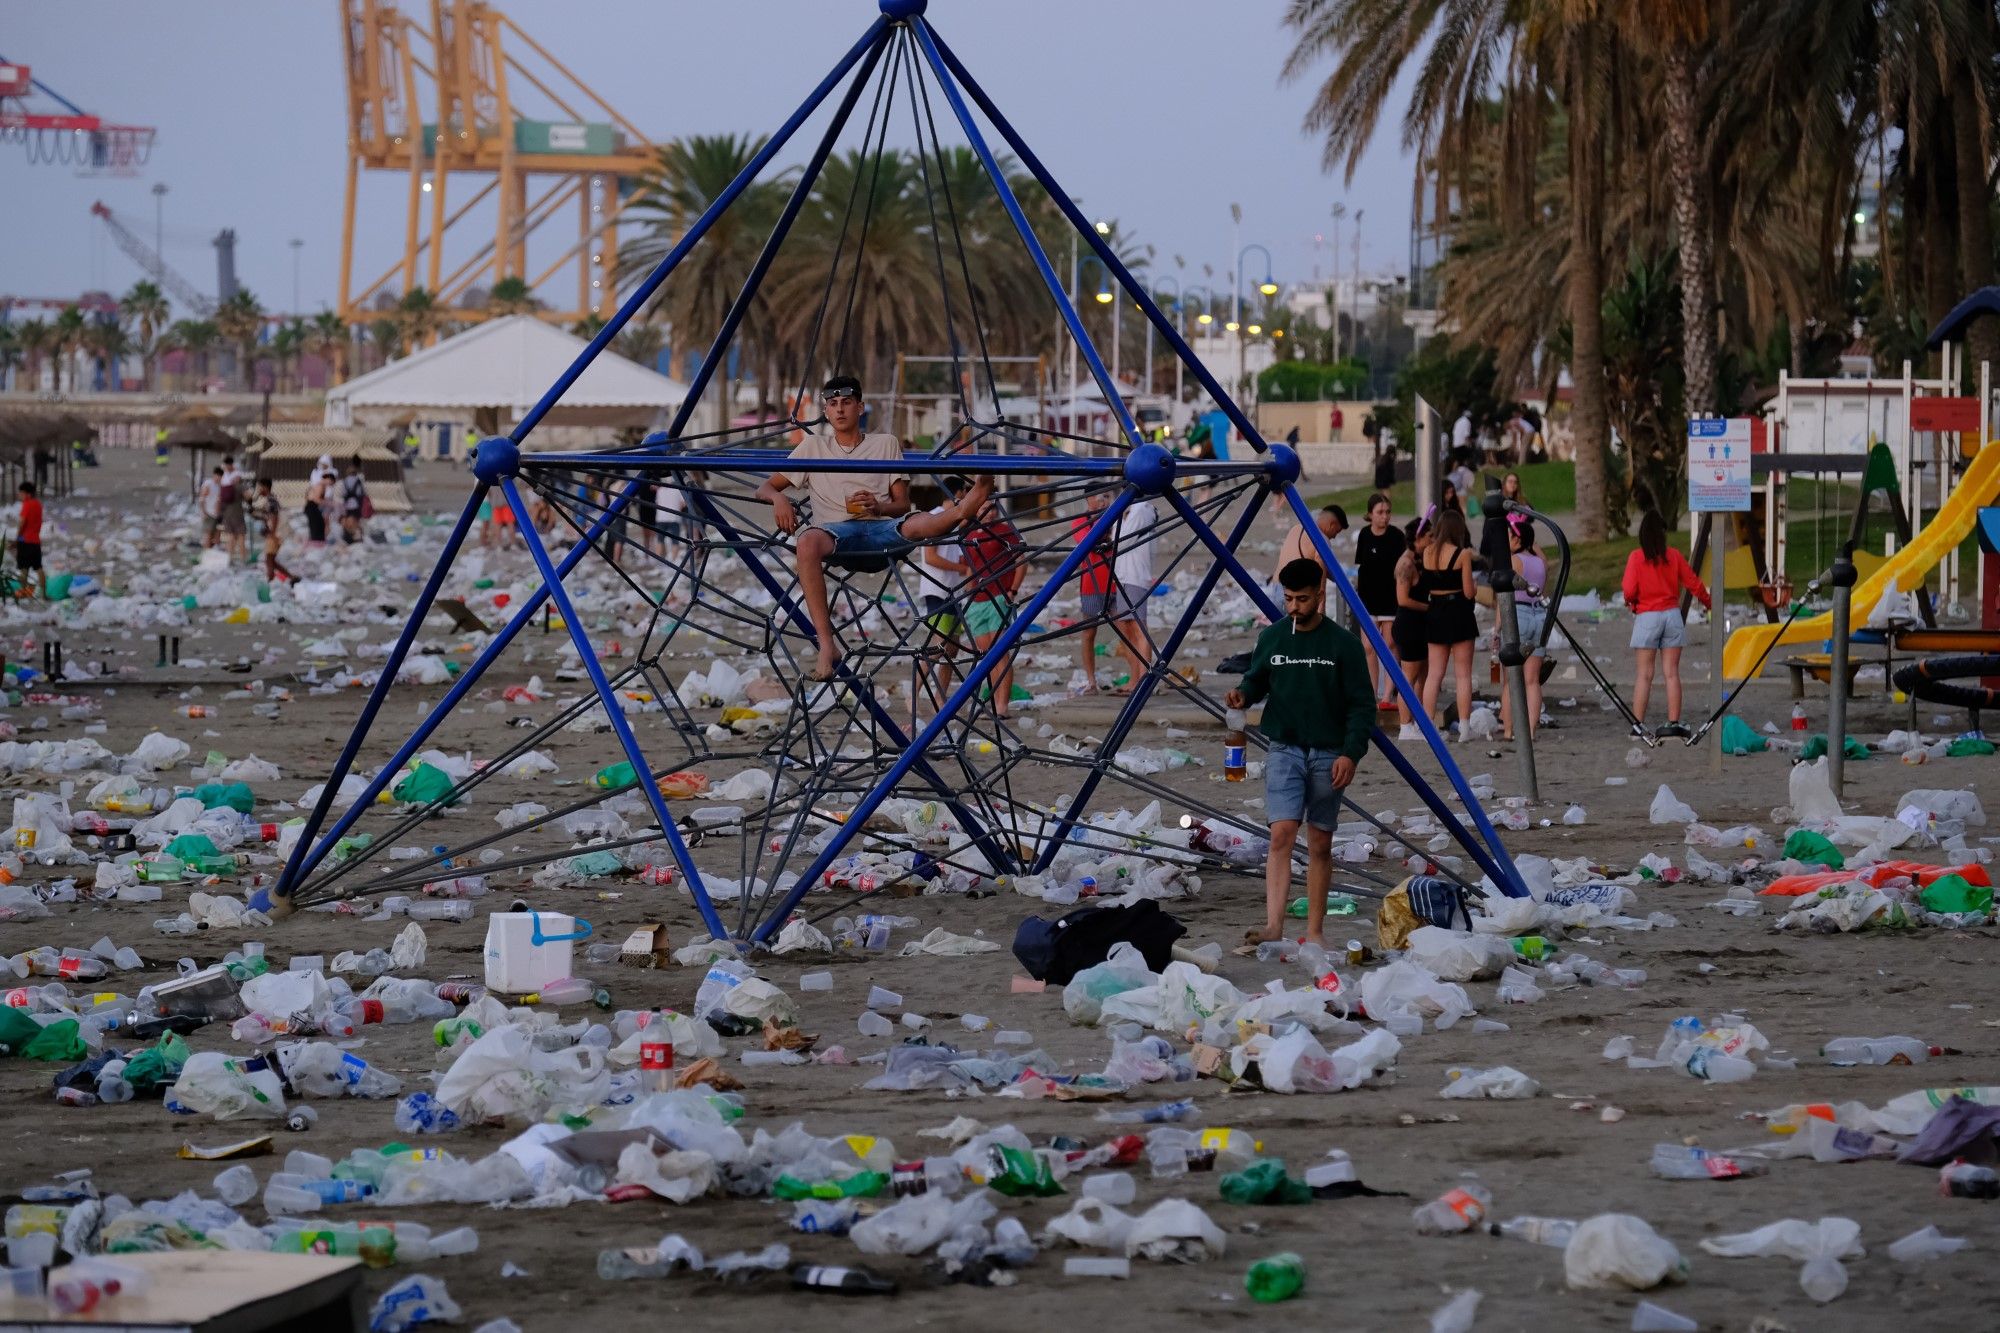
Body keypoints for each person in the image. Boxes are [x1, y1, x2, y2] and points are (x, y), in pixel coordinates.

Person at [755, 375, 992, 681]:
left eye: (847, 403)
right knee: (806, 543)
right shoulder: (813, 446)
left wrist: (878, 506)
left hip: (882, 528)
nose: (840, 410)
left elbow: (902, 504)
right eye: (833, 404)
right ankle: (827, 645)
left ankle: (966, 506)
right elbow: (764, 488)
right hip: (837, 532)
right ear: (826, 411)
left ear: (860, 407)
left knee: (920, 522)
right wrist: (779, 500)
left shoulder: (885, 443)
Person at [1225, 558, 1376, 947]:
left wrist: (1351, 754)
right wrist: (1244, 694)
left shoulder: (1343, 644)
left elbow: (1362, 705)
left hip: (1330, 753)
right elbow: (1257, 679)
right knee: (1281, 834)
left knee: (1320, 842)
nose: (1294, 607)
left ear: (1320, 596)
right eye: (1289, 598)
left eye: (1302, 599)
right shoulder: (1273, 637)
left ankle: (1314, 931)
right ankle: (1274, 925)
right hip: (1284, 748)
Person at [1622, 509, 1710, 739]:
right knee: (1671, 673)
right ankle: (1673, 722)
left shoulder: (1635, 557)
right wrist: (1708, 602)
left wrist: (1631, 602)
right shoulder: (1674, 556)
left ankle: (1638, 725)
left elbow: (1629, 590)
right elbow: (1693, 583)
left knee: (1644, 675)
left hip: (1647, 616)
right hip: (1672, 615)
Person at [961, 484, 1025, 719]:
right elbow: (970, 566)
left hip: (998, 596)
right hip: (976, 600)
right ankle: (991, 701)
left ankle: (1002, 706)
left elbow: (1021, 561)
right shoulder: (969, 534)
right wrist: (968, 592)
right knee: (985, 657)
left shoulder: (1005, 530)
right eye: (985, 508)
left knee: (1000, 655)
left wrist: (1012, 592)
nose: (990, 512)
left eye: (993, 508)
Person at [915, 475, 973, 714]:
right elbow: (931, 557)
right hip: (937, 590)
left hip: (954, 591)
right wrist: (963, 569)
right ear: (957, 494)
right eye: (966, 493)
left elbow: (954, 555)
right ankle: (915, 693)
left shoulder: (957, 521)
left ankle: (940, 698)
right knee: (939, 647)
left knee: (952, 649)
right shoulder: (935, 518)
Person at [1420, 506, 1478, 739]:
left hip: (1435, 610)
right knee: (1463, 673)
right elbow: (1468, 591)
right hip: (1459, 612)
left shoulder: (1427, 552)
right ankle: (1464, 728)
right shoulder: (1462, 554)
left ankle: (1428, 727)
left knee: (1434, 673)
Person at [1352, 493, 1406, 706]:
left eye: (1388, 512)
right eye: (1380, 512)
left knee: (1391, 643)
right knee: (1367, 647)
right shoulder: (1364, 535)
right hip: (1368, 599)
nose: (1385, 516)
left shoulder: (1396, 536)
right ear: (1370, 514)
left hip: (1390, 598)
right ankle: (1373, 693)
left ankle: (1387, 695)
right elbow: (1361, 567)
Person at [1498, 515, 1546, 740]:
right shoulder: (1539, 562)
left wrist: (1497, 627)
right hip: (1539, 615)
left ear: (1517, 540)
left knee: (1511, 678)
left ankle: (1508, 730)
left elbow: (1504, 596)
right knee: (1533, 679)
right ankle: (1531, 730)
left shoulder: (1514, 561)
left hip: (1518, 613)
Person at [1108, 491, 1160, 694]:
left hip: (1135, 575)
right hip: (1124, 575)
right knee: (1128, 628)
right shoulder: (1135, 510)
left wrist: (1120, 515)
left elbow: (1120, 540)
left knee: (1138, 629)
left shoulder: (1141, 510)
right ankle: (1134, 677)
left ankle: (1142, 679)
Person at [1069, 489, 1116, 695]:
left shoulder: (1116, 518)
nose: (1102, 501)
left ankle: (1139, 676)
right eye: (1099, 497)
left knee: (1128, 631)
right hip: (1091, 584)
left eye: (1106, 496)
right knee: (1089, 633)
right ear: (1088, 499)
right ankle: (1091, 681)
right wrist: (1100, 520)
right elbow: (1088, 542)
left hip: (1115, 582)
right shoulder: (1080, 521)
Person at [1391, 516, 1432, 739]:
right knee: (1408, 677)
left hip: (1420, 626)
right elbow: (1403, 599)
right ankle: (1405, 725)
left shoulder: (1419, 560)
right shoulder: (1406, 563)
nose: (1432, 540)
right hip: (1409, 625)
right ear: (1418, 538)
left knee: (1422, 676)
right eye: (1429, 536)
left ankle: (1417, 723)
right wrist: (1429, 607)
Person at [1273, 503, 1347, 591]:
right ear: (1332, 525)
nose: (1334, 536)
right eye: (1337, 531)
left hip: (1276, 587)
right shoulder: (1322, 540)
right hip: (1295, 592)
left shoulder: (1295, 528)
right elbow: (1321, 579)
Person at [1477, 470, 1525, 579]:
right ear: (1504, 484)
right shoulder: (1496, 504)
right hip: (1498, 546)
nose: (1513, 484)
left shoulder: (1520, 503)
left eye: (1515, 482)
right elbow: (1488, 528)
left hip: (1516, 546)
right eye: (1510, 481)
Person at [250, 477, 293, 584]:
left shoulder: (271, 500)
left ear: (265, 487)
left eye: (260, 487)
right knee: (271, 559)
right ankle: (291, 577)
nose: (258, 490)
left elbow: (274, 517)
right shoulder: (269, 500)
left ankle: (270, 580)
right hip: (275, 533)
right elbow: (266, 515)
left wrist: (272, 533)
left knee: (269, 558)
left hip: (275, 533)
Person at [14, 482, 45, 599]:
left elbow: (22, 522)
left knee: (24, 569)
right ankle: (43, 594)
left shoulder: (27, 505)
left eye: (21, 493)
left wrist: (17, 537)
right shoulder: (38, 505)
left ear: (26, 493)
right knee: (39, 568)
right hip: (36, 541)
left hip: (25, 541)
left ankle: (24, 592)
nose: (19, 496)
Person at [219, 455, 248, 562]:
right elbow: (247, 495)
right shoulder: (237, 478)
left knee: (230, 536)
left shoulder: (223, 479)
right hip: (237, 511)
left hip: (226, 512)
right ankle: (243, 558)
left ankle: (229, 558)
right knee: (241, 535)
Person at [339, 458, 370, 544]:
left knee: (348, 521)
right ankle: (358, 537)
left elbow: (343, 493)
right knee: (357, 521)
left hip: (348, 505)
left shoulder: (344, 481)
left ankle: (348, 537)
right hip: (356, 504)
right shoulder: (358, 481)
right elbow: (360, 493)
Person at [303, 462, 331, 545]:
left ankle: (318, 541)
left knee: (319, 523)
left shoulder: (322, 486)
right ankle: (316, 542)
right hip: (312, 506)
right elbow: (316, 499)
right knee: (316, 524)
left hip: (313, 507)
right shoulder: (320, 485)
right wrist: (328, 503)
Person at [198, 466, 224, 549]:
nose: (219, 479)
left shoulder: (219, 486)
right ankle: (206, 550)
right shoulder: (208, 483)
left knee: (215, 534)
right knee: (208, 533)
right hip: (208, 512)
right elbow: (202, 499)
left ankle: (211, 550)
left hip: (216, 513)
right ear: (214, 475)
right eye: (218, 476)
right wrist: (203, 511)